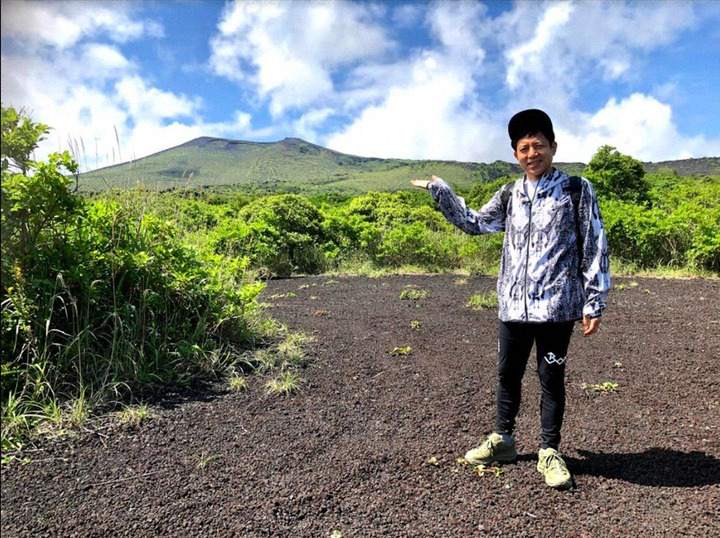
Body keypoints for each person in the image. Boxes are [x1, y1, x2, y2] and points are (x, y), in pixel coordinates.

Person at [410, 109, 611, 489]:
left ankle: (549, 451)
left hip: (556, 306)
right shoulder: (509, 194)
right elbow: (475, 223)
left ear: (553, 147)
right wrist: (442, 192)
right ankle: (503, 440)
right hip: (513, 306)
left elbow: (594, 243)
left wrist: (594, 300)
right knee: (507, 374)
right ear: (516, 154)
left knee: (551, 378)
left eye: (538, 145)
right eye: (523, 148)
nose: (532, 153)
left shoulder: (575, 190)